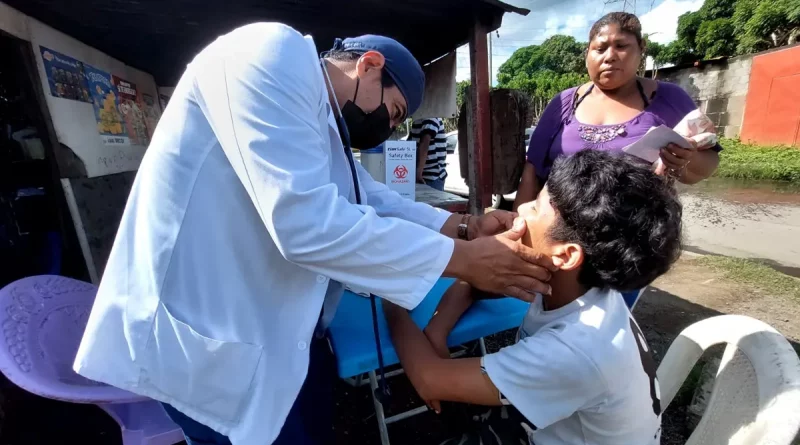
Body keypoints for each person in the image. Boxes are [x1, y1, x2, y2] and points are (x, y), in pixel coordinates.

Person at [72, 23, 555, 445]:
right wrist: (464, 259)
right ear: (369, 65)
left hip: (283, 332)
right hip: (212, 337)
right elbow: (304, 225)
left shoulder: (318, 117)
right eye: (391, 112)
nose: (386, 131)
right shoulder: (267, 54)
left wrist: (463, 226)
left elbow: (361, 194)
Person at [384, 149, 683, 445]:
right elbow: (474, 285)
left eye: (536, 208)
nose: (521, 208)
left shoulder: (575, 350)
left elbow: (428, 379)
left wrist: (389, 298)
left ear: (565, 255)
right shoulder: (579, 286)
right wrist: (438, 330)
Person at [513, 11, 719, 308]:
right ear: (587, 54)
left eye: (622, 46)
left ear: (641, 50)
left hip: (626, 246)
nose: (610, 56)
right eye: (600, 48)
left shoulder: (670, 100)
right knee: (554, 314)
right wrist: (522, 225)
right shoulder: (563, 104)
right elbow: (532, 169)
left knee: (607, 321)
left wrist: (684, 160)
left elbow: (707, 165)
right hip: (561, 240)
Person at [410, 117, 448, 190]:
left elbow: (425, 144)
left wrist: (418, 174)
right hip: (425, 175)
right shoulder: (418, 120)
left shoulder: (431, 117)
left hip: (432, 176)